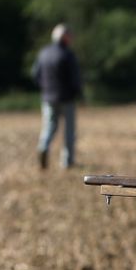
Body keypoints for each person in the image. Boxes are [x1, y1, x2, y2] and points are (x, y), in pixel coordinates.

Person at [31, 23, 82, 169]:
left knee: (49, 127)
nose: (71, 38)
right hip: (67, 98)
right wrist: (79, 94)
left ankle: (43, 146)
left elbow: (35, 75)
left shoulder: (43, 53)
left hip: (47, 97)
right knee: (69, 131)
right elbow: (75, 79)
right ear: (65, 37)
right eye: (70, 36)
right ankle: (67, 162)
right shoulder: (67, 54)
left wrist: (45, 88)